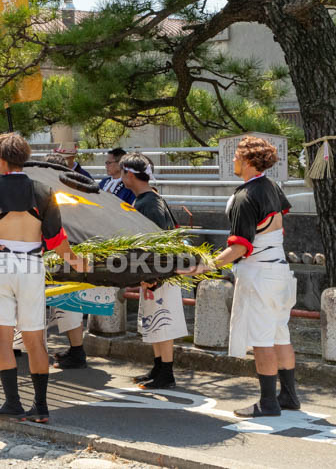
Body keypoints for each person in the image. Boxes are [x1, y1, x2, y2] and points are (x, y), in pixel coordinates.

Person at [0, 133, 87, 423]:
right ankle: (40, 406)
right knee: (35, 339)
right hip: (31, 265)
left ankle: (12, 403)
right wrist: (76, 261)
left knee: (4, 340)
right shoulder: (42, 190)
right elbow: (55, 240)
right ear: (23, 158)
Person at [181, 136, 298, 417]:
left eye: (235, 156)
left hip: (259, 274)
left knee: (261, 339)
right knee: (280, 334)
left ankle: (268, 403)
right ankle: (289, 396)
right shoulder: (271, 186)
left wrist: (205, 265)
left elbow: (239, 246)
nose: (231, 160)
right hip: (280, 269)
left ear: (246, 161)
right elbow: (278, 219)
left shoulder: (244, 197)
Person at [120, 153, 185, 389]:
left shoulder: (149, 202)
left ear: (129, 174)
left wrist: (153, 275)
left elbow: (159, 242)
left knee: (162, 321)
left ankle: (166, 372)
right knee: (154, 322)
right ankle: (158, 367)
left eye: (122, 172)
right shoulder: (148, 199)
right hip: (154, 272)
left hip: (160, 273)